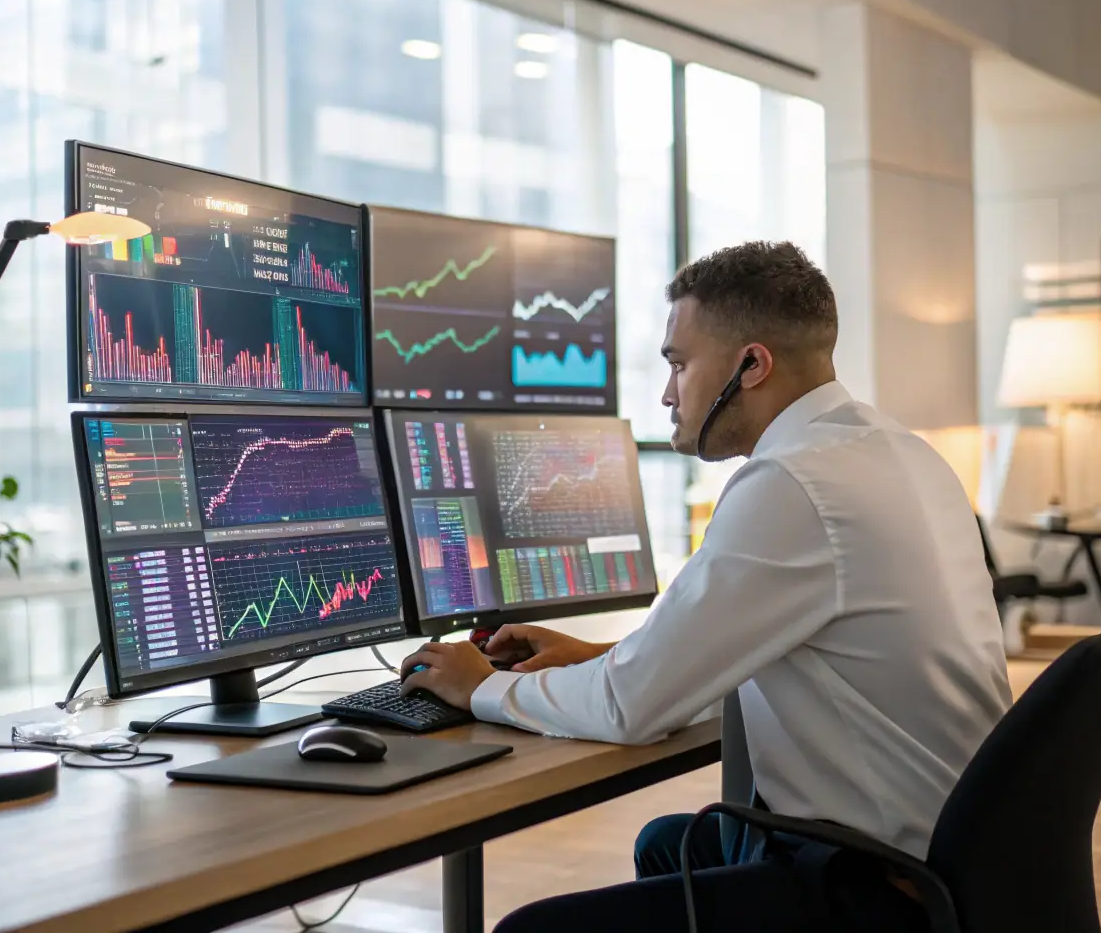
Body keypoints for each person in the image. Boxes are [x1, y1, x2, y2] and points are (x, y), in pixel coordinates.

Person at [401, 241, 1012, 932]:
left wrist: (476, 685)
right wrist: (603, 658)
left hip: (879, 886)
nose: (667, 392)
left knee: (528, 929)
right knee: (666, 846)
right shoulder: (894, 450)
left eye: (678, 363)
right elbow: (791, 648)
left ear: (751, 364)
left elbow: (630, 710)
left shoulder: (792, 486)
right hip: (960, 857)